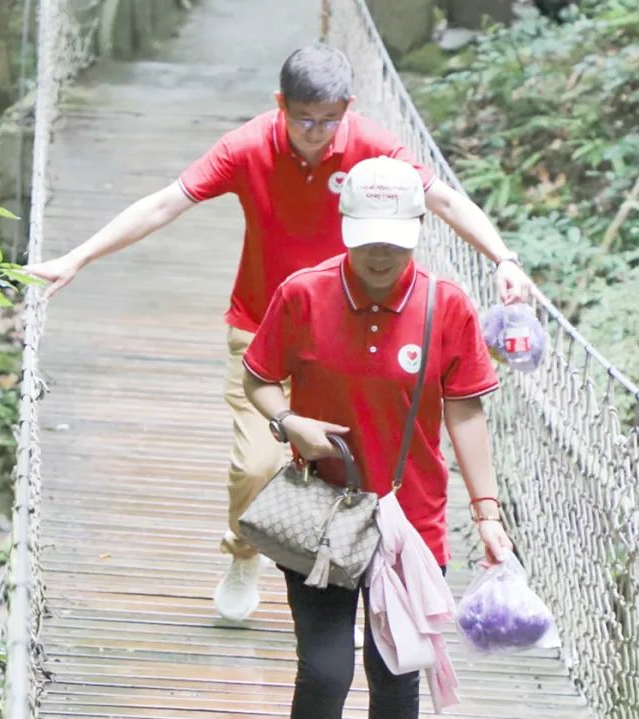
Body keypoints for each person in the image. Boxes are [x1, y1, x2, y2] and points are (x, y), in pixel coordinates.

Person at [24, 44, 533, 622]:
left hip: (348, 336)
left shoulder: (371, 148)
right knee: (257, 466)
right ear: (280, 105)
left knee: (359, 468)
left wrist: (503, 257)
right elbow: (167, 202)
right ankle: (244, 551)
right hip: (263, 332)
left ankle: (355, 583)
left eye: (329, 119)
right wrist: (79, 257)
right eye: (303, 119)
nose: (316, 133)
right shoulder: (246, 147)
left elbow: (437, 197)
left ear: (348, 107)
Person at [241, 155, 515, 719]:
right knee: (324, 671)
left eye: (395, 240)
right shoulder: (303, 295)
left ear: (418, 229)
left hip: (410, 520)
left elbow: (465, 414)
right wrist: (289, 423)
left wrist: (487, 513)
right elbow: (259, 378)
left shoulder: (448, 306)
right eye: (369, 240)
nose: (382, 254)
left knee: (395, 675)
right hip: (322, 515)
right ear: (345, 228)